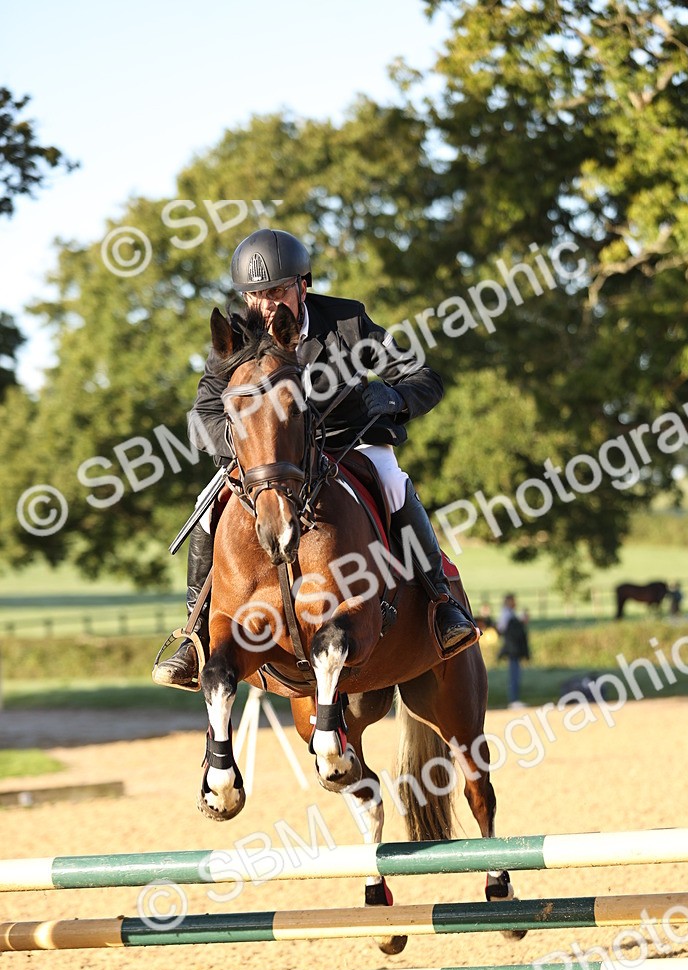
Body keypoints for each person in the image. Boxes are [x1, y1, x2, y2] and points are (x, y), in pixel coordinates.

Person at [154, 228, 477, 690]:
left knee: (393, 482)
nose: (268, 305)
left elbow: (423, 376)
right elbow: (202, 415)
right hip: (268, 461)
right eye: (257, 295)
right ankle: (195, 632)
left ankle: (441, 604)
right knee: (209, 513)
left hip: (348, 444)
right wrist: (250, 445)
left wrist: (394, 398)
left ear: (303, 283)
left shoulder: (347, 322)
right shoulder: (236, 338)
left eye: (278, 291)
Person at [496, 593, 530, 708]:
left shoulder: (509, 614)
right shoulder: (506, 614)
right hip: (512, 649)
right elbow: (501, 629)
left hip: (514, 649)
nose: (515, 603)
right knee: (514, 675)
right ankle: (513, 700)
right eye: (513, 601)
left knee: (516, 674)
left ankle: (515, 699)